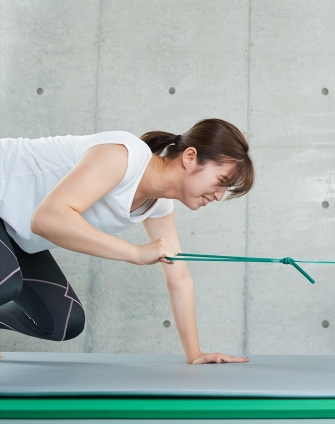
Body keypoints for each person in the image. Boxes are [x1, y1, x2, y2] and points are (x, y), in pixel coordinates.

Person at [0, 118, 254, 364]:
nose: (220, 196)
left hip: (13, 232)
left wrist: (195, 353)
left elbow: (179, 277)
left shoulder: (158, 205)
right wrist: (134, 252)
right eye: (221, 182)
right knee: (5, 283)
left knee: (64, 322)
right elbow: (47, 218)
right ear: (190, 157)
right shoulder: (122, 155)